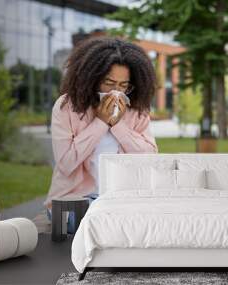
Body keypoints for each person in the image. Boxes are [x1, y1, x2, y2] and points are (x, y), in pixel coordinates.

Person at [44, 36, 159, 233]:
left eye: (124, 86)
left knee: (145, 220)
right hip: (75, 202)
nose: (116, 91)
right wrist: (100, 122)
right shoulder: (67, 107)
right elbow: (66, 164)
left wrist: (118, 125)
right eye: (109, 83)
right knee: (107, 224)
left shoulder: (136, 111)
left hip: (119, 200)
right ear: (93, 78)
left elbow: (150, 158)